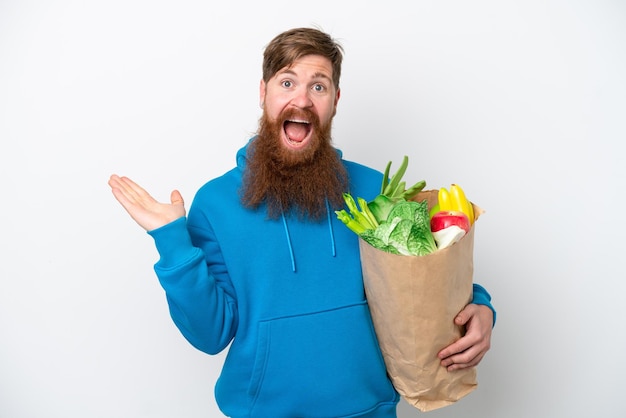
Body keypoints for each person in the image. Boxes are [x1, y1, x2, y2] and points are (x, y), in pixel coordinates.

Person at [108, 27, 495, 418]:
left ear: (336, 100)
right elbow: (210, 335)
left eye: (319, 87)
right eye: (287, 82)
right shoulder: (215, 204)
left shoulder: (377, 191)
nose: (302, 100)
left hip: (369, 410)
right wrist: (172, 240)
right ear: (263, 93)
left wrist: (480, 308)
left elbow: (423, 276)